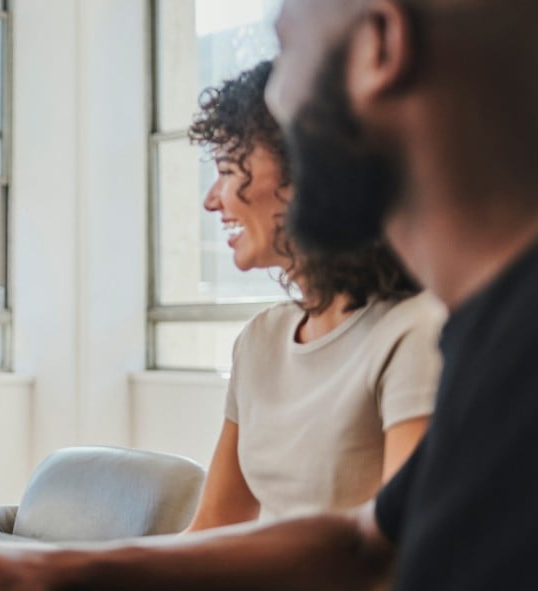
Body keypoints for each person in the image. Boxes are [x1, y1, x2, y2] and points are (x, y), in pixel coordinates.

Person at [0, 0, 538, 588]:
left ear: (376, 47)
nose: (277, 99)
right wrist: (51, 567)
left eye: (286, 46)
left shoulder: (464, 341)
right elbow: (364, 539)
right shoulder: (485, 335)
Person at [184, 60, 444, 531]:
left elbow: (391, 552)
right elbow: (212, 528)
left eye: (227, 167)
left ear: (304, 167)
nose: (212, 199)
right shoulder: (259, 340)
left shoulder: (415, 332)